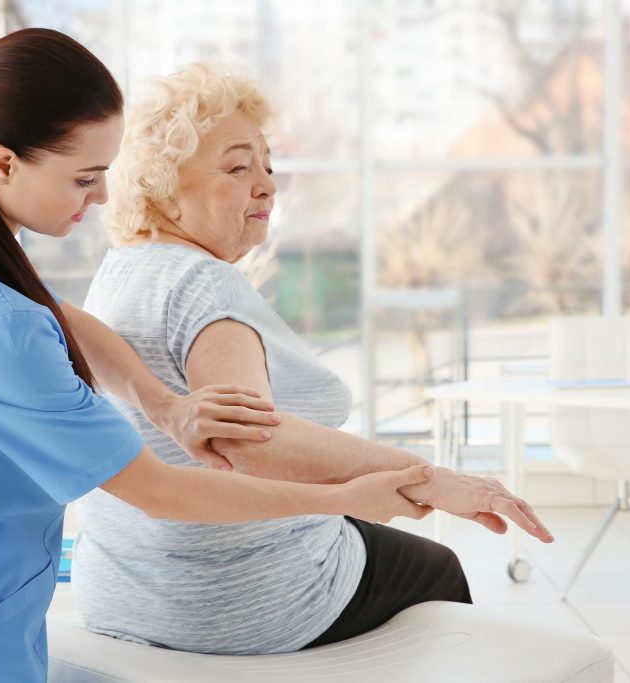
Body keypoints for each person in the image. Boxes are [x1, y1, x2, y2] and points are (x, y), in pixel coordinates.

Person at [0, 30, 438, 683]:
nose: (104, 198)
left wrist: (162, 403)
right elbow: (160, 489)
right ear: (3, 165)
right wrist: (345, 495)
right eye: (85, 178)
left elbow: (54, 314)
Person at [73, 63, 554, 656]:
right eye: (238, 166)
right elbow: (249, 441)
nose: (268, 185)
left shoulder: (119, 272)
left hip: (120, 590)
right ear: (163, 185)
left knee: (361, 528)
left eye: (269, 166)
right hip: (237, 601)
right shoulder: (202, 285)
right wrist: (435, 480)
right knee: (437, 566)